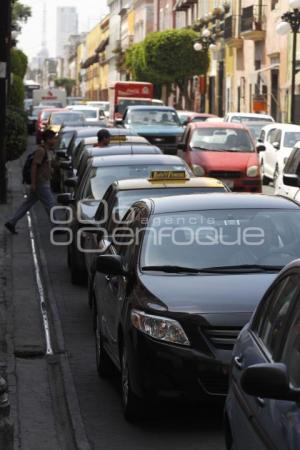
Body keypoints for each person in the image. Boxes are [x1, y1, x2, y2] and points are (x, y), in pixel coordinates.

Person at [5, 129, 58, 235]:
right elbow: (34, 166)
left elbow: (45, 166)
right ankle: (57, 227)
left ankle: (12, 222)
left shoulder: (47, 150)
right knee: (51, 204)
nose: (55, 140)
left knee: (28, 204)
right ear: (47, 139)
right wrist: (33, 183)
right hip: (41, 183)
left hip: (43, 182)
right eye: (53, 138)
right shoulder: (41, 151)